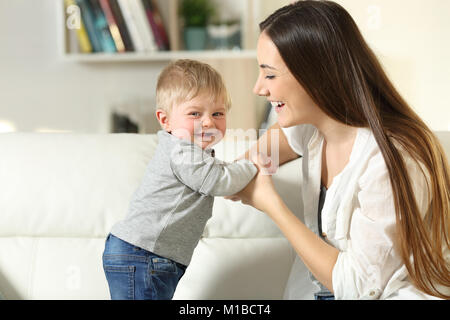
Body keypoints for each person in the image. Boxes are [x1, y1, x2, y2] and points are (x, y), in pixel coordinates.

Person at [228, 0, 449, 299]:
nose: (259, 88)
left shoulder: (392, 158)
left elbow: (357, 287)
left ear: (316, 75)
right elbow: (276, 140)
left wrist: (271, 204)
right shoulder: (312, 126)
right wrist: (235, 172)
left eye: (269, 75)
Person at [102, 59, 257, 300]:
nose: (208, 121)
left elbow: (217, 173)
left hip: (142, 255)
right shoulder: (181, 150)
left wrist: (235, 171)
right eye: (195, 113)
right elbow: (218, 181)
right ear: (165, 120)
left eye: (218, 113)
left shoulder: (188, 153)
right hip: (144, 255)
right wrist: (253, 165)